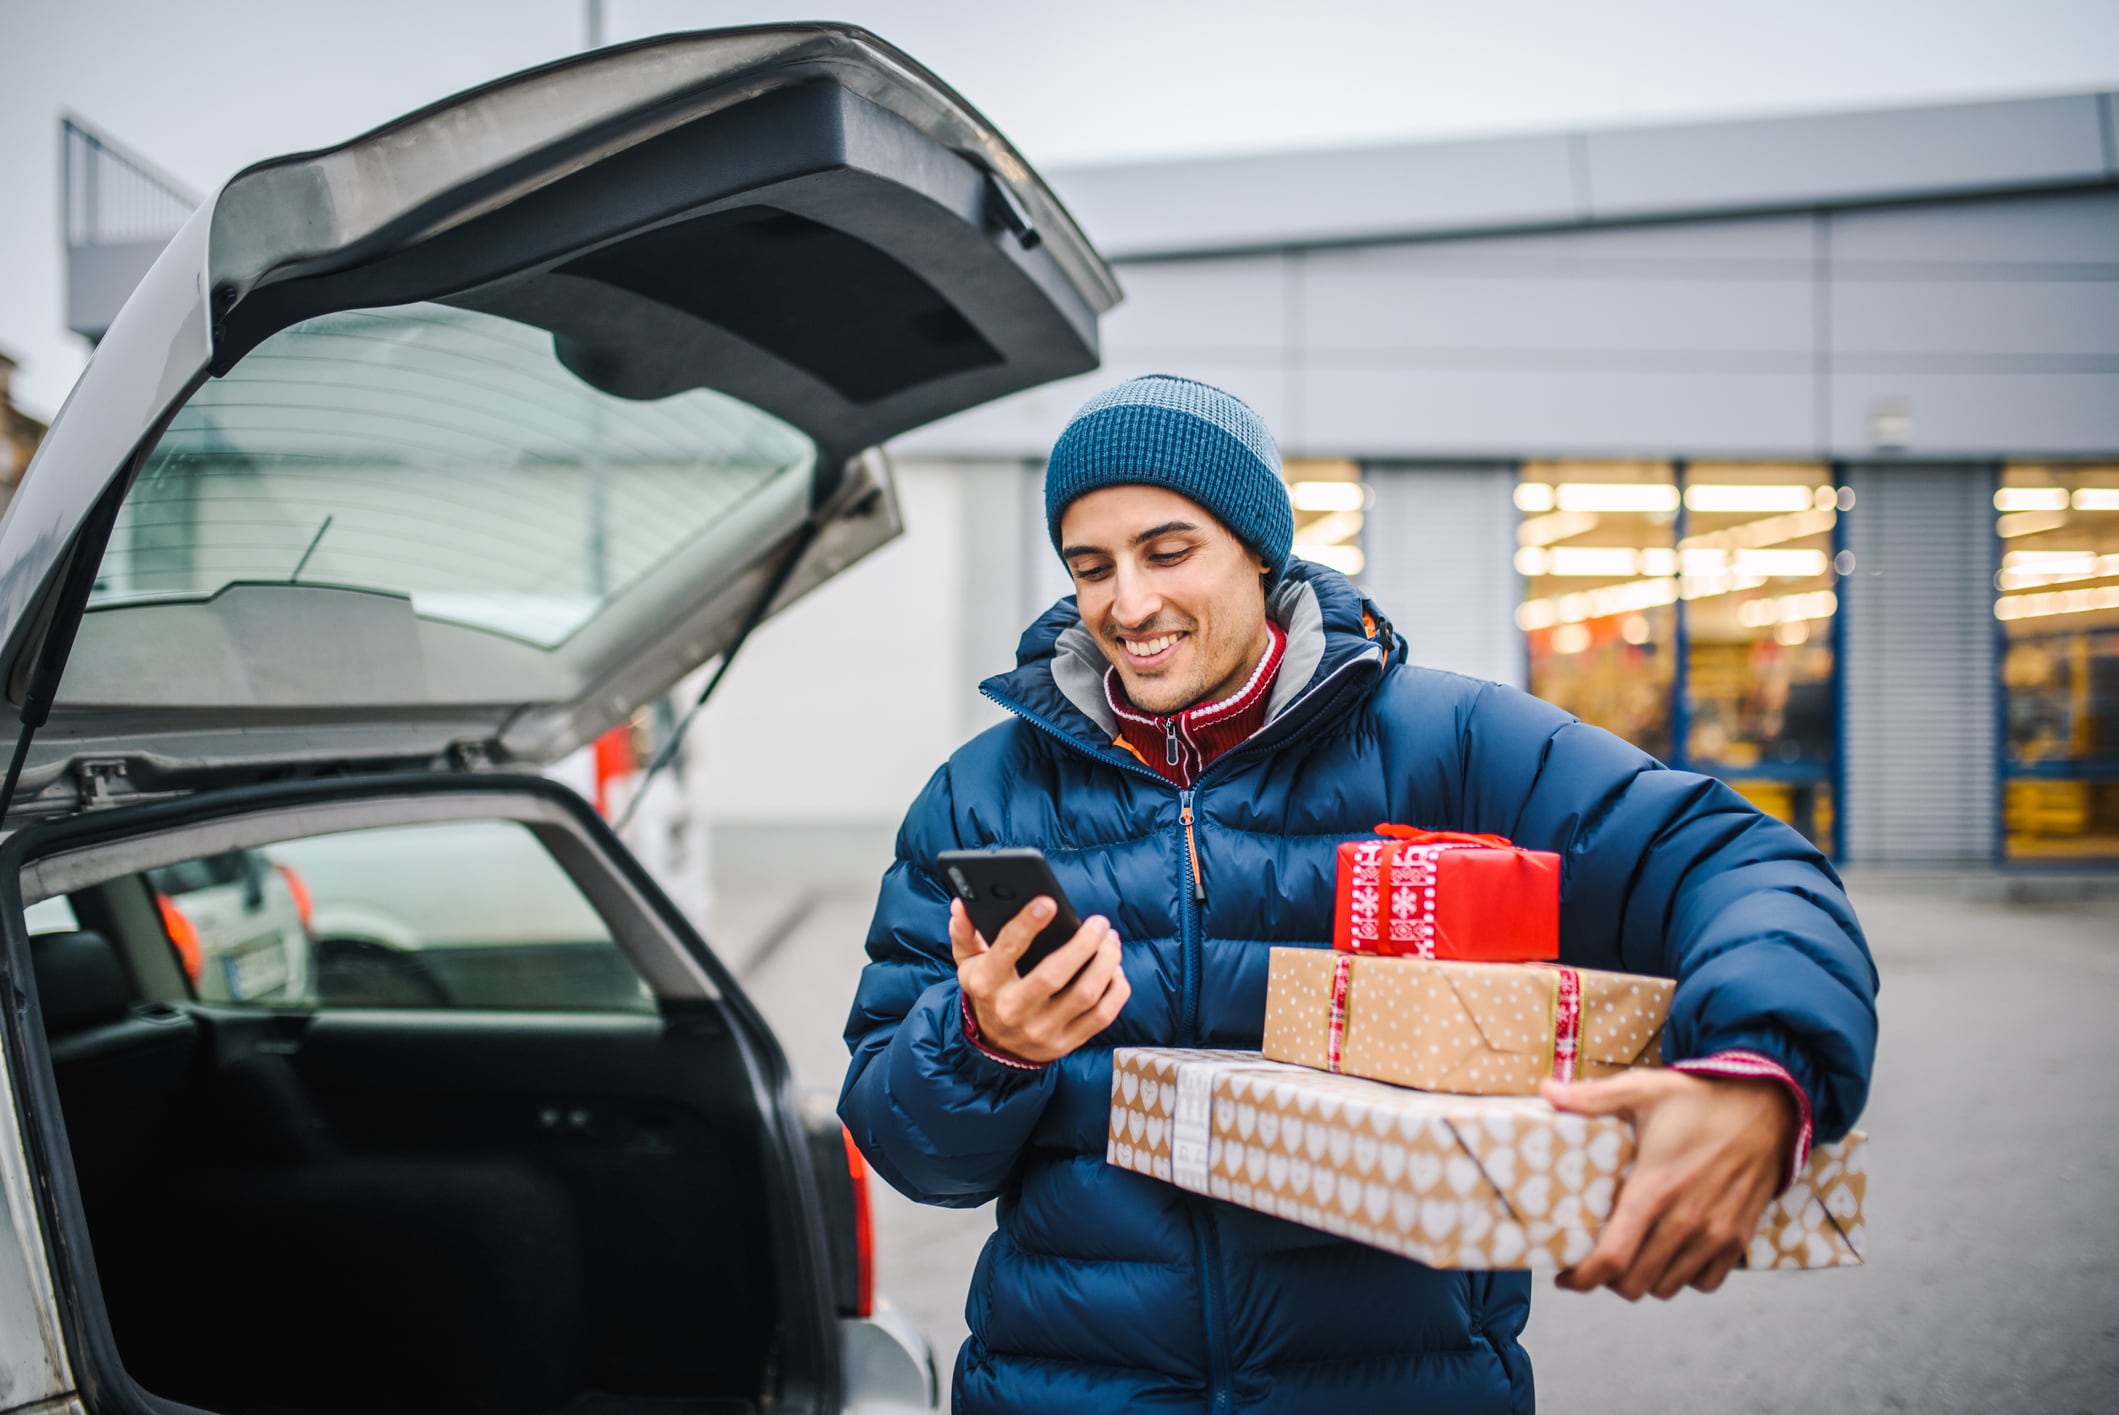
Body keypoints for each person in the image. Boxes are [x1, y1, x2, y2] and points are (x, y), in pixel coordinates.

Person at [838, 375, 1878, 1414]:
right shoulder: (980, 798)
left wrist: (1756, 1066)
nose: (1128, 602)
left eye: (1168, 551)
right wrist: (984, 1045)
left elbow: (1735, 862)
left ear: (1257, 547)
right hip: (1063, 1388)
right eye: (1091, 565)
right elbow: (911, 1148)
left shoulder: (1449, 745)